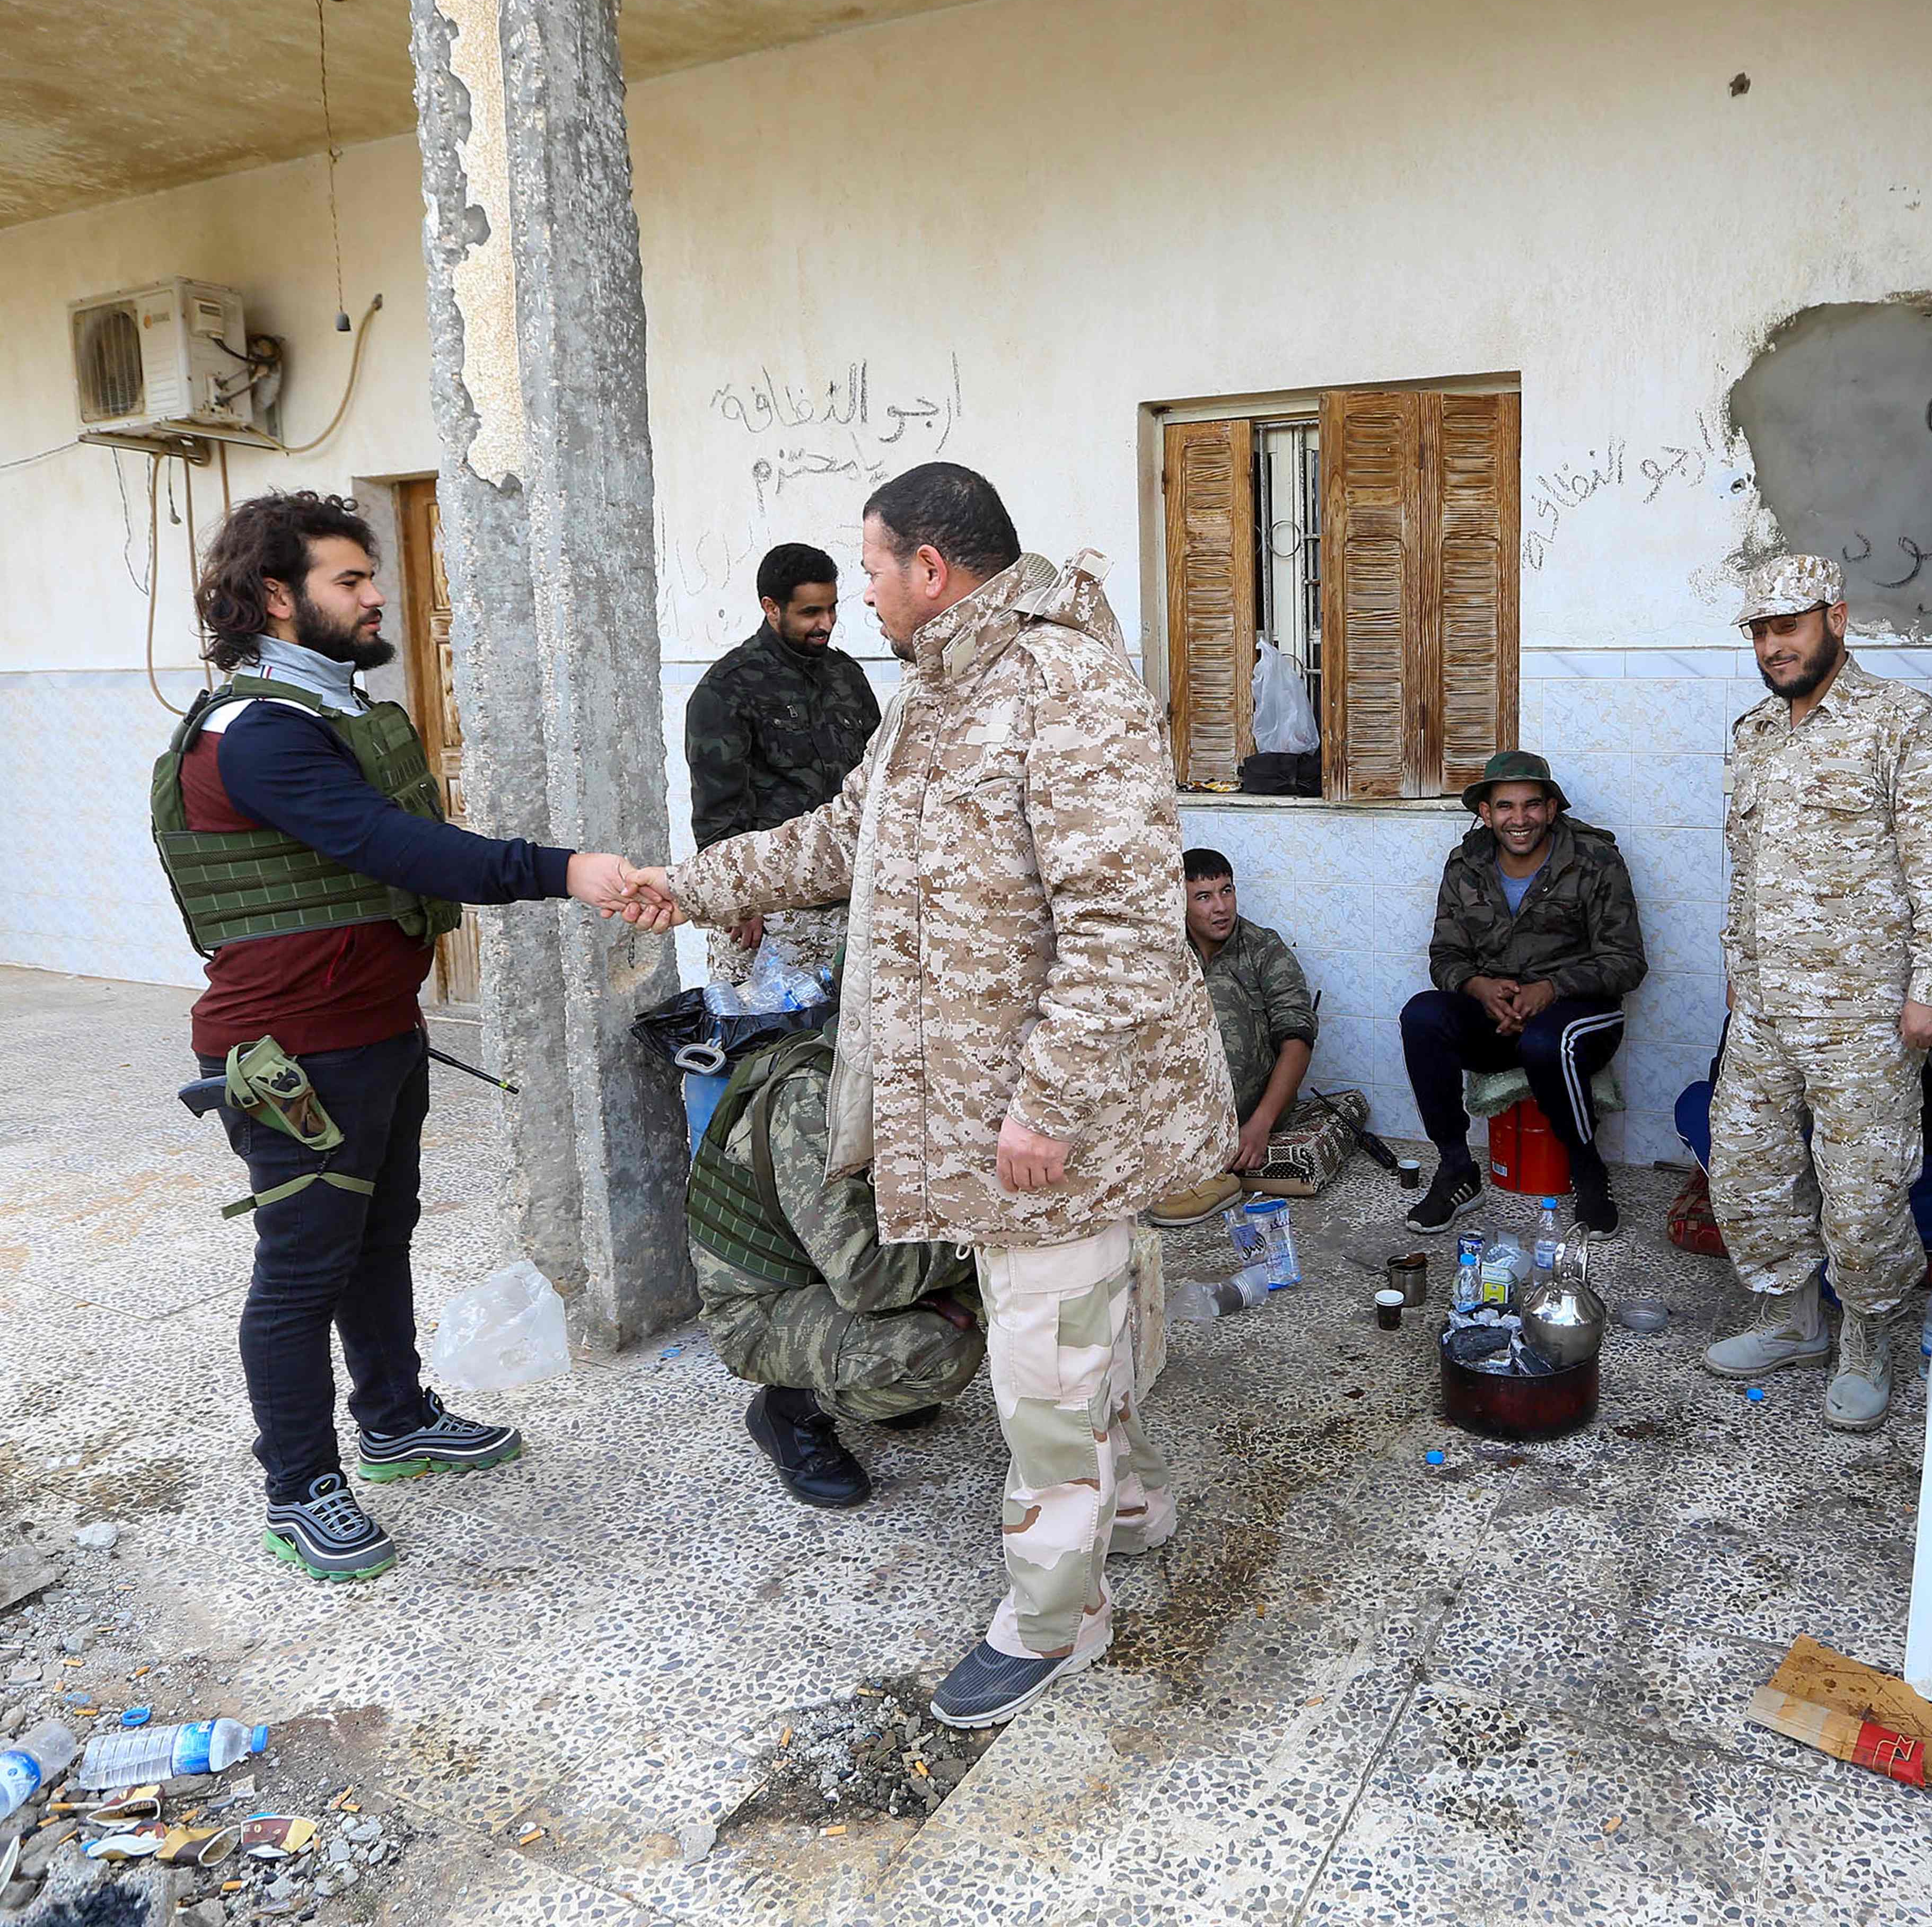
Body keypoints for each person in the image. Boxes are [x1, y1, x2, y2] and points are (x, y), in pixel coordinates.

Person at [620, 462, 1234, 1730]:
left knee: (1045, 1372)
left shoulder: (1062, 688)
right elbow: (839, 838)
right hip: (994, 1109)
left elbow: (1121, 927)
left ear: (933, 570)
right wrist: (689, 886)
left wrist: (1048, 1108)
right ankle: (1123, 1515)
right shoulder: (931, 702)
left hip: (1061, 1122)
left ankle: (1053, 1619)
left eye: (874, 567)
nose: (862, 596)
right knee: (1083, 1342)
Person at [152, 491, 651, 1582]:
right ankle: (298, 1487)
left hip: (372, 1033)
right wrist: (569, 871)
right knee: (301, 1273)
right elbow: (399, 848)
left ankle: (392, 1420)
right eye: (348, 581)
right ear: (276, 600)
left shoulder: (318, 716)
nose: (377, 595)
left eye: (371, 577)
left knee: (380, 1243)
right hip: (291, 1060)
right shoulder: (256, 738)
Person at [1702, 555, 1932, 1434]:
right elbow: (1743, 869)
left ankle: (1867, 1336)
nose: (1774, 645)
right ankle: (1790, 1317)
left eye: (1789, 625)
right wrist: (1738, 968)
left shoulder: (1900, 719)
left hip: (1865, 1009)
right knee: (1746, 1173)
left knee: (1862, 1193)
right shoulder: (1750, 733)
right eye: (1760, 630)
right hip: (1766, 1004)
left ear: (1837, 619)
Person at [686, 1019, 989, 1510]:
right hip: (758, 1313)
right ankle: (788, 1413)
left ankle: (863, 1373)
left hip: (817, 1277)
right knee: (943, 1350)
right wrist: (972, 1246)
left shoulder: (874, 1064)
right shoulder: (815, 1098)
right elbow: (863, 1277)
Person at [1398, 751, 1645, 1234]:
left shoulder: (1595, 861)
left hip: (1579, 1015)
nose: (1520, 819)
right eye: (1506, 807)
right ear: (1486, 814)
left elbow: (1627, 962)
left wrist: (1551, 990)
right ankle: (1455, 1169)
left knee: (1545, 1041)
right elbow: (1445, 956)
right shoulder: (1465, 863)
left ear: (1552, 810)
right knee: (1421, 1016)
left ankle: (1588, 1172)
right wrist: (1478, 987)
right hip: (1497, 1012)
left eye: (1532, 806)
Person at [683, 541, 879, 987]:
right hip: (769, 920)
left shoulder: (846, 677)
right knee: (761, 1046)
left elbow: (876, 776)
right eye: (810, 612)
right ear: (771, 608)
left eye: (831, 609)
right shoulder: (726, 690)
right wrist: (740, 902)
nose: (825, 624)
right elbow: (718, 808)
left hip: (849, 909)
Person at [1183, 848, 1316, 1174]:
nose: (1221, 907)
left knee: (1219, 991)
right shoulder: (1165, 951)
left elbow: (1297, 1039)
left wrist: (1261, 1125)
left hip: (1251, 1109)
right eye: (1203, 897)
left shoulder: (1263, 948)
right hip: (1179, 1107)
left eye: (1226, 891)